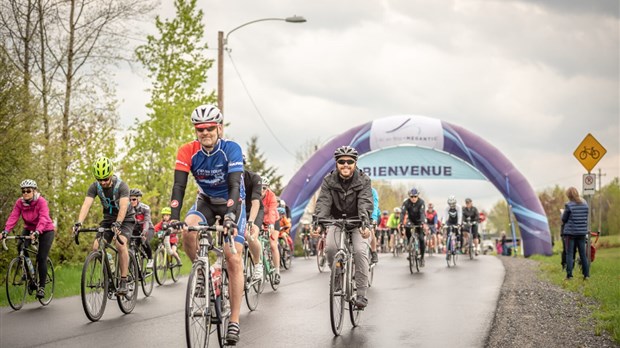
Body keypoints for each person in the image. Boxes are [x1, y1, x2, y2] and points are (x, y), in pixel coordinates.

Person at [169, 104, 245, 345]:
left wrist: (231, 217)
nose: (205, 132)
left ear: (219, 128)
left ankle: (234, 320)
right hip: (206, 202)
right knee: (188, 230)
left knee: (232, 257)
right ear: (196, 130)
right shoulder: (187, 151)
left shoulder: (230, 149)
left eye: (210, 128)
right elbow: (179, 187)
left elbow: (234, 185)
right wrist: (173, 216)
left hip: (233, 202)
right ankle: (202, 271)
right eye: (200, 129)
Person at [313, 145, 373, 309]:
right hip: (336, 221)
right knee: (331, 248)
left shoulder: (364, 180)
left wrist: (365, 223)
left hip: (358, 222)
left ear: (355, 163)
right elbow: (324, 202)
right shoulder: (328, 180)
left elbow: (365, 203)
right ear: (336, 163)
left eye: (349, 161)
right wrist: (319, 223)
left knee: (360, 251)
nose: (345, 165)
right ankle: (338, 279)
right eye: (341, 161)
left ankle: (361, 294)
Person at [74, 157, 135, 295]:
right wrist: (79, 222)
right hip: (108, 219)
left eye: (106, 179)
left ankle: (124, 281)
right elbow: (86, 204)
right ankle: (111, 273)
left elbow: (124, 207)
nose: (103, 182)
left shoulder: (122, 186)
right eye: (99, 179)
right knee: (96, 246)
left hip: (125, 219)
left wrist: (118, 223)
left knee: (120, 245)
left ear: (111, 175)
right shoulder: (95, 186)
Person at [1, 179, 55, 299]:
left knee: (41, 257)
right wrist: (5, 231)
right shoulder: (20, 203)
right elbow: (13, 217)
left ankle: (41, 287)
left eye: (28, 191)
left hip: (46, 230)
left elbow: (44, 218)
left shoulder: (41, 201)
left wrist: (37, 232)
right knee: (20, 246)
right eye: (23, 191)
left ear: (34, 191)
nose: (25, 193)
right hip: (30, 228)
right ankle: (30, 277)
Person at [242, 159, 265, 282]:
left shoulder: (254, 178)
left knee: (251, 236)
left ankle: (257, 264)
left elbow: (255, 202)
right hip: (238, 210)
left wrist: (250, 221)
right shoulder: (227, 177)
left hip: (254, 209)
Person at [561, 187, 590, 280]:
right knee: (583, 255)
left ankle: (569, 275)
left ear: (569, 196)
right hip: (582, 233)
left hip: (570, 233)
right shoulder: (585, 205)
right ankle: (586, 275)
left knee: (569, 254)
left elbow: (564, 219)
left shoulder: (568, 205)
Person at [261, 177, 281, 284]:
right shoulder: (255, 194)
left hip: (273, 220)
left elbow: (272, 211)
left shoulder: (271, 196)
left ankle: (277, 272)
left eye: (264, 188)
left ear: (268, 188)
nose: (262, 190)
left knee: (273, 245)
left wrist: (271, 225)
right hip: (260, 221)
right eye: (260, 188)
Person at [400, 187, 426, 265]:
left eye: (415, 196)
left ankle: (422, 257)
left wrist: (422, 222)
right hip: (410, 220)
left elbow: (422, 213)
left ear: (418, 196)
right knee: (406, 227)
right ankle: (410, 243)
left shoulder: (421, 202)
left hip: (419, 221)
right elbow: (402, 213)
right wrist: (401, 222)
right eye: (412, 197)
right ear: (409, 196)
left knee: (421, 239)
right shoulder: (406, 202)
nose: (413, 198)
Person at [129, 188, 155, 268]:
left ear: (138, 199)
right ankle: (135, 269)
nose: (131, 201)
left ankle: (150, 259)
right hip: (136, 229)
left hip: (148, 228)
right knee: (131, 247)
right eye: (129, 199)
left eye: (134, 199)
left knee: (144, 241)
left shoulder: (145, 208)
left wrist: (144, 231)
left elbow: (146, 221)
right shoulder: (128, 208)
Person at [369, 187, 381, 264]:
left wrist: (373, 218)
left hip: (373, 213)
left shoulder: (373, 191)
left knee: (371, 229)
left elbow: (375, 206)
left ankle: (374, 251)